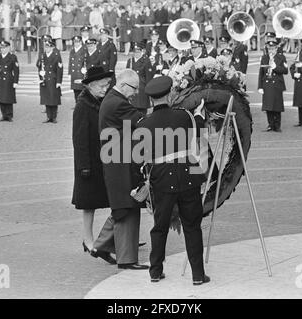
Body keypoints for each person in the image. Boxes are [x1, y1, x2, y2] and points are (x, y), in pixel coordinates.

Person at [137, 76, 210, 285]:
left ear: (151, 100)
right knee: (192, 226)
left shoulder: (144, 123)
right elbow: (198, 128)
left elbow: (140, 155)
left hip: (161, 178)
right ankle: (197, 275)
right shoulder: (184, 116)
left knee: (159, 227)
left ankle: (155, 271)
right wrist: (199, 114)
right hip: (189, 175)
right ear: (169, 94)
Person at [94, 69, 148, 270]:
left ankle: (101, 245)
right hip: (120, 162)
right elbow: (143, 122)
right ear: (124, 85)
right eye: (134, 89)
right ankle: (126, 259)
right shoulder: (118, 103)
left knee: (124, 205)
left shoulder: (113, 99)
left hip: (118, 160)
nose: (135, 93)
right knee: (127, 206)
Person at [72, 66, 113, 255]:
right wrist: (84, 167)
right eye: (103, 86)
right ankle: (87, 239)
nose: (106, 89)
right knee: (89, 205)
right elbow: (79, 139)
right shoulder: (83, 105)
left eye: (107, 85)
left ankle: (115, 237)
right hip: (89, 162)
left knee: (112, 200)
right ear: (92, 85)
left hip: (103, 158)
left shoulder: (100, 100)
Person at [258, 39, 288, 132]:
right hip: (267, 84)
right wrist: (260, 86)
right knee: (268, 106)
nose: (271, 51)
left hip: (277, 84)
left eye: (273, 49)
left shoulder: (281, 57)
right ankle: (270, 124)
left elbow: (285, 71)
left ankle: (277, 125)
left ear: (276, 49)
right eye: (269, 49)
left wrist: (275, 67)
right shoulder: (264, 58)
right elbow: (261, 73)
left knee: (277, 106)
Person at [0, 41, 19, 122]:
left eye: (4, 48)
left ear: (8, 48)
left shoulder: (12, 57)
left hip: (8, 79)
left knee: (8, 98)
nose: (2, 50)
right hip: (0, 79)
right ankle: (3, 115)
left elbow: (16, 70)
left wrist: (15, 82)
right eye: (1, 48)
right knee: (1, 98)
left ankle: (9, 115)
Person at [37, 39, 63, 123]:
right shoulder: (42, 56)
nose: (47, 49)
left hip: (53, 79)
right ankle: (48, 117)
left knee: (53, 99)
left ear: (52, 47)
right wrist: (40, 75)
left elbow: (59, 70)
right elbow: (39, 67)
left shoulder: (56, 56)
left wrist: (59, 82)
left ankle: (54, 117)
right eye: (46, 47)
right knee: (46, 99)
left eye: (48, 47)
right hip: (44, 79)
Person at [126, 42, 150, 110]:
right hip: (131, 88)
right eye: (135, 52)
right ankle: (127, 121)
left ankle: (141, 120)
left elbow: (148, 77)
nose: (137, 53)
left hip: (141, 88)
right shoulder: (130, 61)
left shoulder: (146, 61)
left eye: (138, 52)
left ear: (141, 52)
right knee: (129, 111)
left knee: (141, 109)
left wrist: (148, 89)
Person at [68, 36, 86, 103]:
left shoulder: (84, 50)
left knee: (81, 91)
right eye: (75, 42)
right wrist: (69, 73)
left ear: (81, 42)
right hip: (74, 74)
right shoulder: (72, 51)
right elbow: (70, 62)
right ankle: (77, 104)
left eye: (78, 42)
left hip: (80, 74)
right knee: (75, 91)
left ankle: (81, 105)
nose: (76, 43)